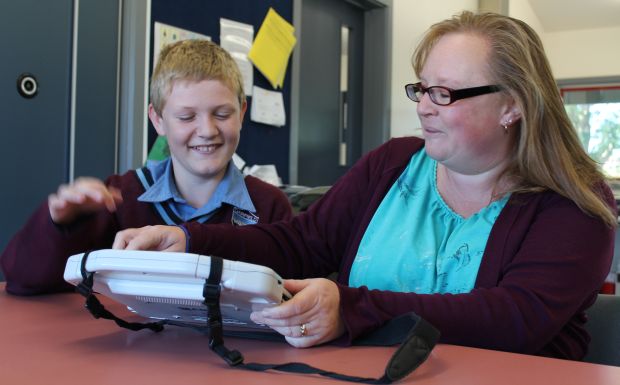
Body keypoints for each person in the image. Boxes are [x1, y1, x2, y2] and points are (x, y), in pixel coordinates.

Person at [112, 12, 616, 360]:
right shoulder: (393, 163)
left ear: (514, 104)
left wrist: (352, 307)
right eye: (422, 88)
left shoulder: (576, 203)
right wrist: (189, 241)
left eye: (444, 93)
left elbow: (515, 318)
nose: (423, 107)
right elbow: (301, 243)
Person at [1, 39, 293, 295]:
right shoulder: (120, 198)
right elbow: (22, 280)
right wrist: (59, 225)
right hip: (131, 353)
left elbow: (288, 296)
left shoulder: (268, 207)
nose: (206, 130)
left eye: (221, 113)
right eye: (186, 117)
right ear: (158, 120)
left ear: (241, 113)